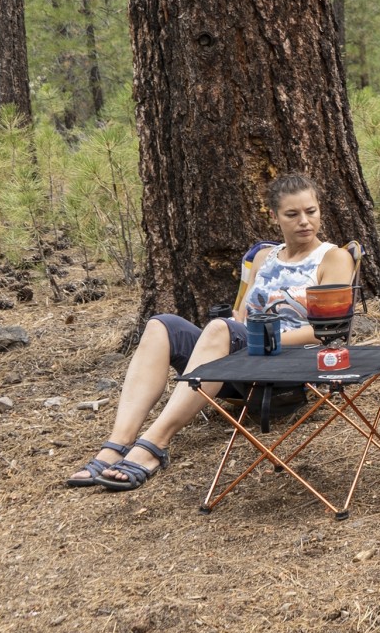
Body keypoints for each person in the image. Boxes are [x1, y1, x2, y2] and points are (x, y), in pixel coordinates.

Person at [63, 172, 356, 492]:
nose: (304, 221)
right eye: (292, 214)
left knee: (219, 329)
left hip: (290, 366)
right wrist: (236, 328)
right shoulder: (263, 257)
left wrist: (256, 337)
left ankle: (154, 445)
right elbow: (242, 314)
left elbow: (327, 333)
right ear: (274, 216)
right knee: (161, 325)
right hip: (244, 362)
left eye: (311, 211)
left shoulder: (333, 258)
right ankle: (117, 444)